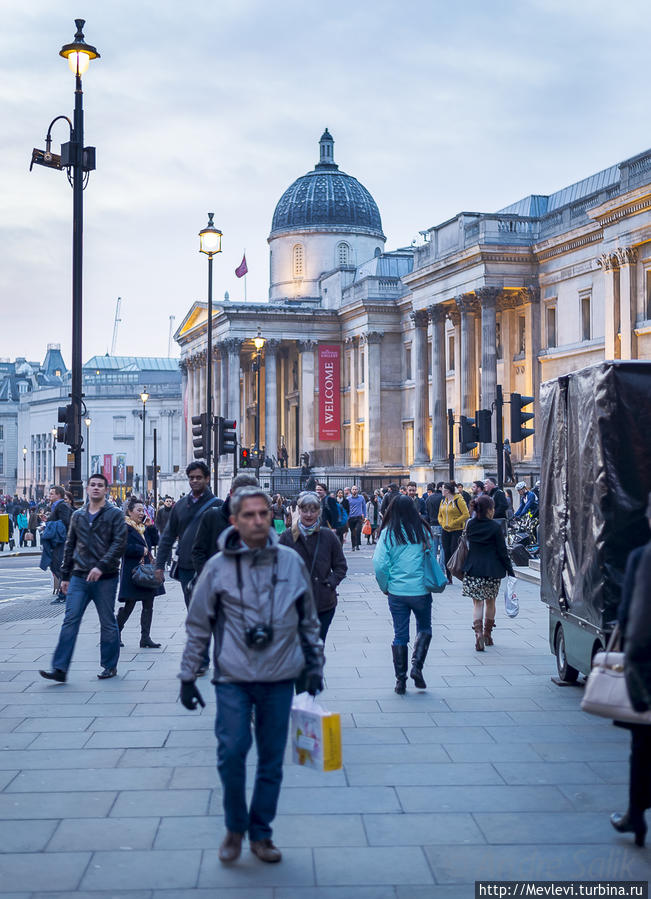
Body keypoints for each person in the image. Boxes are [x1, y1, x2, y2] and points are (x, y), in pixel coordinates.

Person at [178, 486, 324, 865]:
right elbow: (198, 625)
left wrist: (314, 666)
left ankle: (261, 833)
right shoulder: (217, 567)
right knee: (231, 752)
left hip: (280, 675)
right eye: (249, 515)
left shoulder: (290, 562)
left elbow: (308, 620)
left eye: (263, 513)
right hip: (233, 677)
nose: (258, 520)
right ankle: (234, 827)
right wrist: (188, 675)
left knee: (272, 759)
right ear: (234, 521)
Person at [39, 474, 127, 682]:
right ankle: (60, 668)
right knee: (70, 620)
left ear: (106, 490)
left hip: (105, 577)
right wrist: (65, 576)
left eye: (100, 485)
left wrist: (101, 566)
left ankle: (109, 665)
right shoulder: (78, 515)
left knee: (107, 622)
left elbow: (118, 544)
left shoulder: (114, 514)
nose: (96, 488)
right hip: (78, 576)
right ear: (87, 489)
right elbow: (70, 545)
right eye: (93, 485)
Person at [610, 495, 651, 848]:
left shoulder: (642, 557)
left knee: (642, 746)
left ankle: (635, 815)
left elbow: (626, 617)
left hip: (646, 670)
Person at [373, 494, 435, 694]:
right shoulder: (423, 531)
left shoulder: (388, 534)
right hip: (420, 590)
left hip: (397, 591)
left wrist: (385, 585)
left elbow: (379, 564)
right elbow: (430, 556)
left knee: (400, 635)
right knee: (424, 628)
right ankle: (417, 666)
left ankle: (400, 680)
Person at [279, 490, 347, 655]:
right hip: (296, 603)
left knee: (316, 646)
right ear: (299, 511)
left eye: (313, 510)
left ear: (319, 512)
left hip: (323, 602)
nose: (309, 514)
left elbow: (340, 566)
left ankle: (312, 678)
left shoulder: (328, 536)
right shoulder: (287, 537)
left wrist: (331, 582)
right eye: (305, 510)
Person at [462, 494, 514, 651]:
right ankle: (487, 634)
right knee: (490, 601)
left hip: (473, 569)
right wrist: (510, 570)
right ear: (489, 510)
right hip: (492, 570)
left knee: (477, 603)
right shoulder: (494, 527)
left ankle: (477, 633)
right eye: (492, 508)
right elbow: (502, 551)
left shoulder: (470, 525)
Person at [116, 496, 164, 649]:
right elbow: (121, 547)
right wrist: (139, 550)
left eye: (143, 510)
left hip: (147, 571)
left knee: (149, 604)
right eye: (139, 510)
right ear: (130, 512)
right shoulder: (124, 527)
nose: (142, 513)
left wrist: (151, 527)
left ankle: (145, 638)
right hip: (132, 571)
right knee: (129, 605)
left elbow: (156, 541)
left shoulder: (143, 527)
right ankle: (115, 633)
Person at [192, 473, 259, 576]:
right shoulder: (211, 517)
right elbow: (198, 551)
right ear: (231, 493)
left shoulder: (260, 520)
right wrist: (208, 577)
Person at [438, 483, 469, 584]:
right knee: (446, 552)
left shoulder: (458, 499)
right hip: (445, 530)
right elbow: (440, 515)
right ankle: (448, 576)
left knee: (455, 551)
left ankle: (461, 572)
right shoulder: (443, 501)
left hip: (456, 530)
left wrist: (453, 523)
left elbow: (466, 514)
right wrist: (443, 524)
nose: (441, 491)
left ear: (447, 491)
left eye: (442, 489)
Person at [46, 486, 73, 604]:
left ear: (58, 495)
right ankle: (65, 593)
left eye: (52, 494)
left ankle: (65, 593)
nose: (49, 496)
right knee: (56, 566)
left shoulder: (61, 506)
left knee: (58, 567)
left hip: (61, 542)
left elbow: (65, 523)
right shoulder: (57, 506)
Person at [347, 485, 365, 551]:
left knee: (358, 531)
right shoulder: (348, 499)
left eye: (356, 489)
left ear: (358, 490)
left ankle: (357, 544)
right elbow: (347, 508)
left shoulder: (361, 498)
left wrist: (364, 515)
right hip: (351, 517)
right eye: (353, 489)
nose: (354, 490)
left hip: (359, 517)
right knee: (353, 532)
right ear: (351, 490)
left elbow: (364, 507)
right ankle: (353, 546)